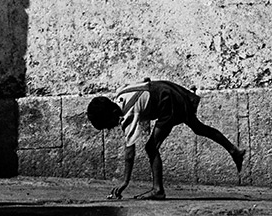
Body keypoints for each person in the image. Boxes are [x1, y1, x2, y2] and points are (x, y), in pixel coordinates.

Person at [87, 78, 246, 200]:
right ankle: (234, 150)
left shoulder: (128, 112)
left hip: (167, 101)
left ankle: (158, 190)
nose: (111, 127)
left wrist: (125, 182)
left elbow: (130, 153)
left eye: (109, 124)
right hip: (167, 91)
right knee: (198, 128)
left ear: (113, 113)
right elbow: (144, 81)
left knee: (151, 147)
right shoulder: (120, 94)